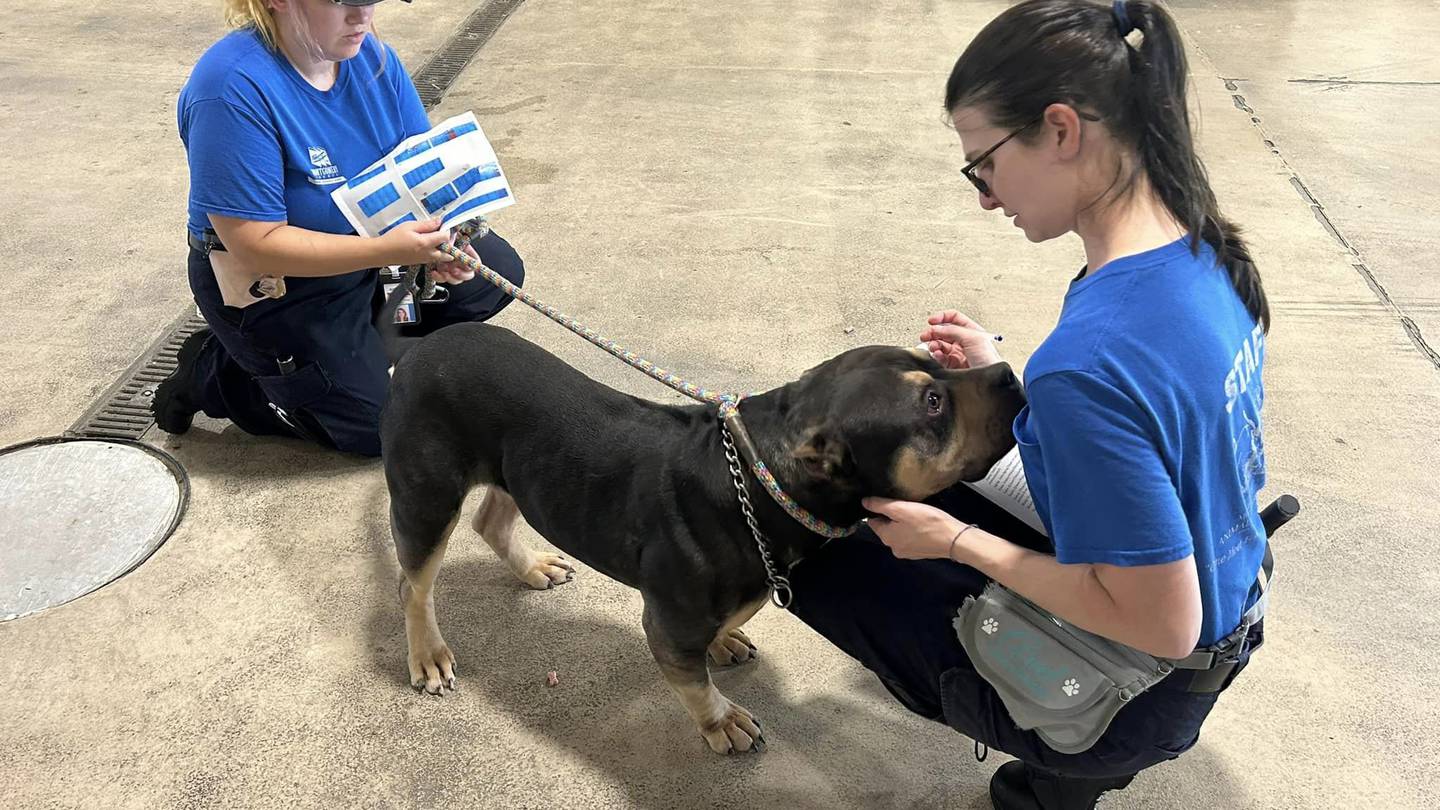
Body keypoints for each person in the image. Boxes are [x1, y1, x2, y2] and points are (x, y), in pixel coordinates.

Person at [786, 1, 1271, 807]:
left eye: (983, 163)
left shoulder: (1085, 364)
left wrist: (960, 543)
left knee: (824, 554)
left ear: (1060, 129)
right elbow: (1154, 436)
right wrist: (1010, 381)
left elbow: (1162, 626)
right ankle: (1056, 788)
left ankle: (1074, 744)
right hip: (1237, 601)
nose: (983, 195)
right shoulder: (1199, 246)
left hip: (1151, 680)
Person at [154, 0, 525, 457]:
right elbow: (253, 245)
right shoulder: (229, 88)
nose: (362, 16)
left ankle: (351, 359)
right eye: (344, 1)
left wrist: (445, 239)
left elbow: (420, 172)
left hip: (368, 245)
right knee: (383, 429)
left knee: (497, 276)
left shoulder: (372, 58)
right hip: (277, 283)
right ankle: (221, 373)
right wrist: (388, 252)